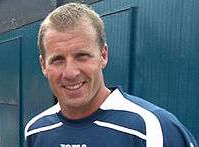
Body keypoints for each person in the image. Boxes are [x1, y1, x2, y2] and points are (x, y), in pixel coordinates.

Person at [25, 3, 198, 147]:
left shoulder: (154, 129)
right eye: (58, 60)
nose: (70, 73)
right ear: (43, 65)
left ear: (103, 55)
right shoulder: (35, 131)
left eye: (82, 56)